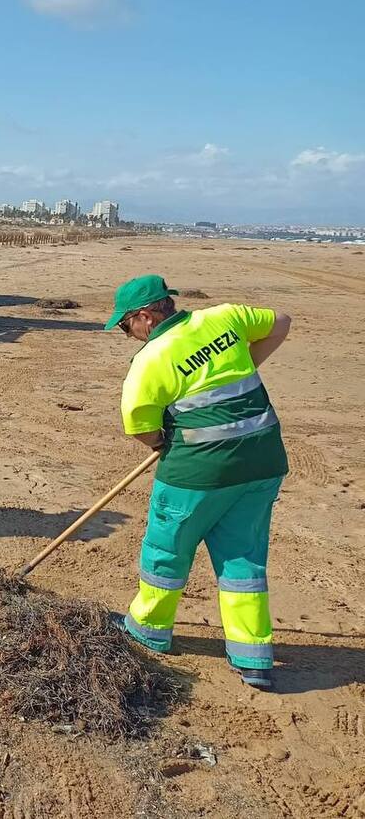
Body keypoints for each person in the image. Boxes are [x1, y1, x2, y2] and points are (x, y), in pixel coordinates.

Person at [108, 274, 291, 689]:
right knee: (243, 556)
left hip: (197, 471)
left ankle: (149, 628)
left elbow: (139, 426)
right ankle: (252, 656)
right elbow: (281, 322)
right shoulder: (225, 318)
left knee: (167, 548)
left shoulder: (152, 358)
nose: (125, 333)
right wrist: (243, 365)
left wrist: (162, 441)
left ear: (146, 318)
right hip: (262, 462)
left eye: (125, 325)